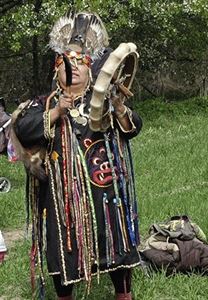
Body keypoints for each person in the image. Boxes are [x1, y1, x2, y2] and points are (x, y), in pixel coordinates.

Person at [13, 12, 142, 300]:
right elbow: (23, 128)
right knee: (64, 247)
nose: (74, 66)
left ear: (91, 69)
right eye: (66, 61)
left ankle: (124, 295)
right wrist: (57, 111)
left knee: (114, 241)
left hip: (105, 190)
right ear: (56, 68)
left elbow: (133, 128)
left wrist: (119, 107)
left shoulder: (105, 100)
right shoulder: (42, 103)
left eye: (81, 61)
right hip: (62, 199)